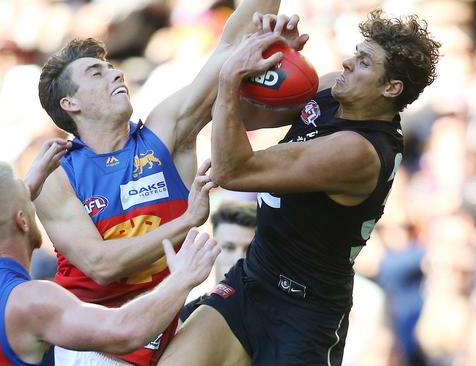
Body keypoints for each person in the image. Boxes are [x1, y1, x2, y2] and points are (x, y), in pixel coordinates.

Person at [160, 10, 441, 366]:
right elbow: (246, 116)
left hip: (303, 313)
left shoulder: (359, 152)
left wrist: (230, 76)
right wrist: (273, 68)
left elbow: (232, 170)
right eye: (356, 52)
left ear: (391, 88)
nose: (347, 62)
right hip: (254, 278)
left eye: (364, 62)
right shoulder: (332, 87)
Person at [29, 1, 284, 365]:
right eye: (96, 73)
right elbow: (101, 266)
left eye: (111, 67)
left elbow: (228, 47)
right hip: (96, 344)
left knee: (240, 320)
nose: (115, 74)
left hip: (165, 333)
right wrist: (186, 221)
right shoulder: (57, 173)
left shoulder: (163, 133)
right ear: (70, 103)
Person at [0, 161, 220, 366]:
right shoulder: (27, 300)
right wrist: (181, 279)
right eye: (30, 203)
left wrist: (20, 191)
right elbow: (124, 331)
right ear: (21, 220)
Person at [180, 201, 257, 322]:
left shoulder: (282, 316)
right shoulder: (187, 317)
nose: (239, 258)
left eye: (250, 249)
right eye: (228, 247)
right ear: (211, 249)